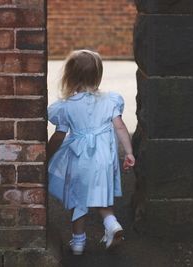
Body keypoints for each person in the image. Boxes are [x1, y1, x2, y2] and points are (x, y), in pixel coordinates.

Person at [46, 49, 135, 255]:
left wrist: (46, 155)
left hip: (80, 159)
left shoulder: (66, 107)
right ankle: (111, 224)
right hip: (104, 158)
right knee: (101, 195)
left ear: (70, 76)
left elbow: (59, 136)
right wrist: (129, 152)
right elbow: (120, 127)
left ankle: (78, 242)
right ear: (98, 75)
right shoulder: (110, 100)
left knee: (77, 196)